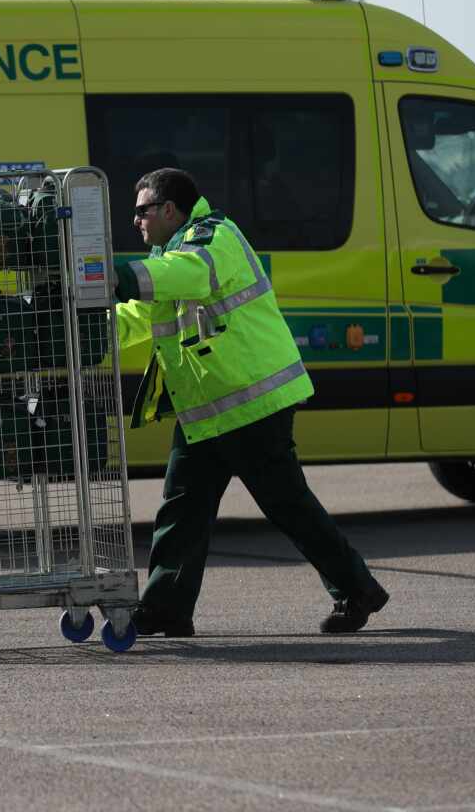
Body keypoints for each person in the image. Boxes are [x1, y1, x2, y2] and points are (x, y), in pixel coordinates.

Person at [114, 167, 388, 637]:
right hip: (211, 409)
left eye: (141, 211)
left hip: (252, 406)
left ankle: (357, 589)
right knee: (182, 510)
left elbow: (190, 274)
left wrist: (118, 275)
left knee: (287, 507)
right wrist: (72, 333)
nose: (135, 221)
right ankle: (166, 610)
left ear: (168, 210)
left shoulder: (213, 237)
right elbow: (137, 317)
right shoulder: (170, 253)